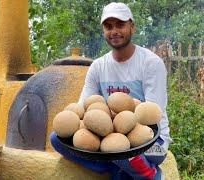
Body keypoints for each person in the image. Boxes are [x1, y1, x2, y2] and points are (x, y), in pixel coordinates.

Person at [51, 2, 172, 179]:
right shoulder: (98, 66)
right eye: (108, 26)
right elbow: (83, 108)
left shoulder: (150, 63)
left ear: (132, 27)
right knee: (57, 139)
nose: (114, 31)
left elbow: (153, 115)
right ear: (103, 32)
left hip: (152, 141)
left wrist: (120, 127)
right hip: (113, 134)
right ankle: (115, 169)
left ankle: (149, 174)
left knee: (122, 151)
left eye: (120, 25)